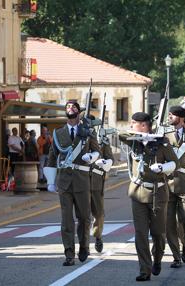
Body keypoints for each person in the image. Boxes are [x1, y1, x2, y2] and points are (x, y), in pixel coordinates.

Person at [119, 112, 178, 281]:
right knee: (141, 234)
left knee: (159, 234)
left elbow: (175, 163)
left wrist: (163, 167)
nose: (131, 125)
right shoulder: (134, 141)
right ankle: (145, 269)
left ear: (144, 124)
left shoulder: (162, 142)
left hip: (158, 193)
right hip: (138, 193)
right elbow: (121, 134)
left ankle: (157, 258)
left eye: (134, 123)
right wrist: (144, 136)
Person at [44, 101, 102, 267]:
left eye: (73, 107)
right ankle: (69, 253)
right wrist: (50, 181)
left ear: (79, 112)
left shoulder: (87, 131)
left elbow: (96, 150)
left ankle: (84, 245)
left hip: (82, 179)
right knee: (66, 219)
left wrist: (91, 157)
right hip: (64, 181)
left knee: (84, 217)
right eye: (68, 107)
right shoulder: (58, 133)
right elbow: (52, 156)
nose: (70, 109)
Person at [165, 106, 185, 267]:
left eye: (173, 115)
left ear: (182, 118)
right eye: (169, 114)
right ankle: (176, 256)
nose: (169, 117)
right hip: (168, 184)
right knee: (169, 223)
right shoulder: (164, 136)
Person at [89, 117, 114, 254]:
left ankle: (98, 236)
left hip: (97, 184)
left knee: (99, 214)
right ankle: (83, 244)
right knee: (83, 216)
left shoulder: (102, 141)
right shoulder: (81, 139)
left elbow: (111, 158)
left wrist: (105, 163)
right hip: (82, 181)